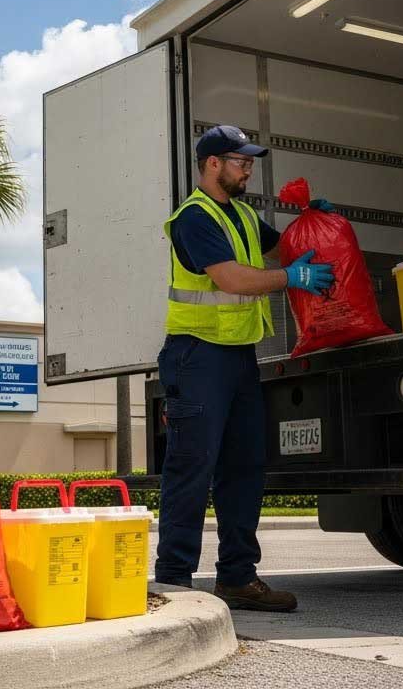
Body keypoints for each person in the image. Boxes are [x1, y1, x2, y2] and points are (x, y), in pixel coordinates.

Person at [155, 124, 336, 612]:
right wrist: (290, 277)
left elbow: (283, 246)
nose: (249, 169)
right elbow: (232, 278)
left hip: (237, 356)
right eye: (241, 161)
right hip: (197, 356)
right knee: (191, 468)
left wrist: (311, 224)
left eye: (251, 161)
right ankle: (173, 582)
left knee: (243, 470)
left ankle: (237, 578)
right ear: (212, 164)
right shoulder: (194, 218)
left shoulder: (242, 215)